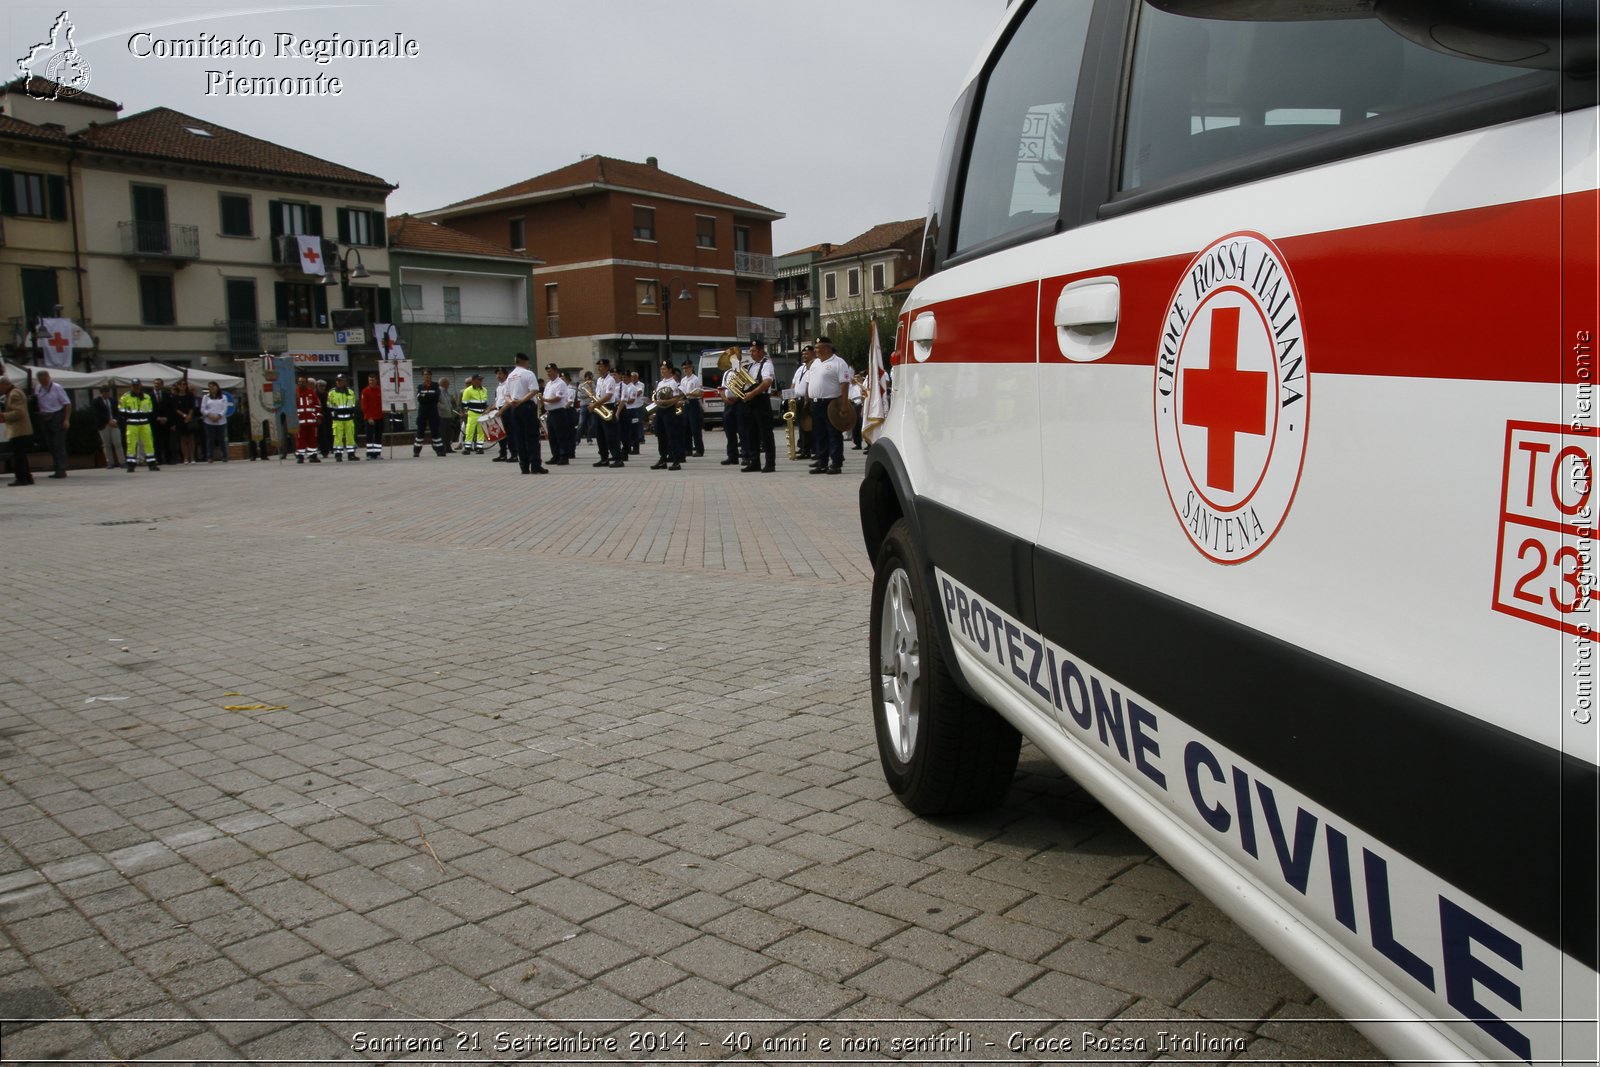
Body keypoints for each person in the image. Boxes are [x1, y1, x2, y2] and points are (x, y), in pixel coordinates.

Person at [807, 336, 851, 475]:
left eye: (817, 348)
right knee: (819, 434)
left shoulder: (839, 363)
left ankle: (836, 463)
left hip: (831, 403)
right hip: (816, 403)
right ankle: (822, 462)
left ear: (826, 348)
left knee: (833, 433)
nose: (815, 350)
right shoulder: (815, 363)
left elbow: (844, 384)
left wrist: (844, 404)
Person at [502, 352, 546, 475]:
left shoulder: (510, 376)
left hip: (514, 409)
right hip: (526, 407)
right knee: (532, 437)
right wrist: (521, 400)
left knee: (519, 437)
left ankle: (524, 466)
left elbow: (506, 394)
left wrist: (511, 402)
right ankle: (535, 465)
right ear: (524, 362)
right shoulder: (528, 373)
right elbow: (534, 390)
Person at [740, 339, 777, 473]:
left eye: (754, 351)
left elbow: (767, 382)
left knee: (765, 433)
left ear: (761, 351)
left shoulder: (767, 364)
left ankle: (770, 463)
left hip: (761, 400)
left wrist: (752, 393)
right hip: (750, 402)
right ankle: (754, 461)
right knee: (751, 433)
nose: (752, 353)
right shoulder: (750, 366)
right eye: (751, 351)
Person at [32, 370, 71, 478]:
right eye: (41, 380)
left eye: (45, 379)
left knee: (58, 444)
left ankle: (61, 469)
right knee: (50, 444)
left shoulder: (57, 387)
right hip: (44, 416)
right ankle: (56, 468)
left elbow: (67, 404)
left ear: (48, 377)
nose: (43, 382)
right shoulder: (38, 388)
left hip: (56, 415)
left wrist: (66, 419)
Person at [649, 362, 685, 470]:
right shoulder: (660, 383)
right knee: (661, 435)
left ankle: (676, 461)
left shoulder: (673, 383)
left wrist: (664, 401)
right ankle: (662, 459)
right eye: (661, 369)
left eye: (664, 369)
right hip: (660, 410)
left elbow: (676, 398)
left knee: (672, 435)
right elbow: (657, 395)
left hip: (669, 410)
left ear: (670, 370)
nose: (662, 371)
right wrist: (657, 401)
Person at [591, 359, 625, 468]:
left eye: (601, 367)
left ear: (606, 368)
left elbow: (609, 395)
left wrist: (595, 404)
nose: (599, 369)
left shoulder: (610, 379)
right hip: (599, 407)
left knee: (611, 435)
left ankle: (618, 458)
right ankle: (604, 458)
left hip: (608, 407)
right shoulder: (600, 380)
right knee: (600, 434)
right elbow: (598, 394)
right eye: (598, 367)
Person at [119, 379, 159, 472]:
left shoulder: (146, 397)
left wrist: (144, 416)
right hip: (132, 424)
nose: (135, 387)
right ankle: (131, 465)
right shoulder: (125, 397)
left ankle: (152, 464)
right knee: (131, 444)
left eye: (137, 385)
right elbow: (121, 410)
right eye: (134, 385)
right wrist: (129, 417)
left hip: (144, 423)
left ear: (140, 386)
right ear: (131, 386)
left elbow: (150, 410)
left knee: (149, 443)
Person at [1, 378, 34, 486]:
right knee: (21, 455)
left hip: (18, 429)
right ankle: (27, 477)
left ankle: (21, 478)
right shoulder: (15, 392)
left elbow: (19, 413)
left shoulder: (14, 394)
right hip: (20, 429)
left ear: (4, 385)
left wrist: (3, 416)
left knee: (18, 456)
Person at [541, 363, 573, 465]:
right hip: (550, 412)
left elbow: (558, 398)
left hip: (559, 412)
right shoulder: (549, 384)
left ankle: (564, 456)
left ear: (555, 371)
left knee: (561, 435)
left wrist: (544, 399)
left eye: (550, 371)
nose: (548, 374)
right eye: (547, 372)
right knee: (552, 436)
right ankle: (556, 455)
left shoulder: (560, 383)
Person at [414, 369, 447, 457]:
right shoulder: (420, 386)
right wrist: (429, 396)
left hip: (433, 410)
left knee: (435, 430)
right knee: (420, 431)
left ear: (431, 376)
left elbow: (436, 396)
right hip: (422, 411)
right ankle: (416, 451)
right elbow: (419, 398)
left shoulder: (435, 385)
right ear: (423, 376)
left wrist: (425, 395)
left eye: (428, 375)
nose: (427, 376)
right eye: (425, 375)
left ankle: (439, 450)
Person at [327, 374, 360, 461]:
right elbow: (329, 405)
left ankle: (351, 454)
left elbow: (353, 404)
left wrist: (351, 412)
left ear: (345, 382)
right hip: (338, 419)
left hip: (349, 418)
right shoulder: (332, 392)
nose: (338, 382)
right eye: (337, 380)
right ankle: (338, 455)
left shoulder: (350, 391)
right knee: (338, 437)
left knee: (350, 436)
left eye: (340, 380)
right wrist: (335, 412)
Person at [93, 385, 124, 470]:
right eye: (104, 393)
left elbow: (118, 412)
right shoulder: (97, 401)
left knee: (117, 443)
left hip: (114, 424)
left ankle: (122, 461)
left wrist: (115, 420)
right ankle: (110, 462)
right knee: (106, 444)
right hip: (104, 425)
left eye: (107, 392)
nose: (106, 394)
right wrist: (108, 421)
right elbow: (97, 414)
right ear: (101, 393)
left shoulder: (113, 400)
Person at [199, 381, 230, 462]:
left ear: (217, 387)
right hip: (209, 421)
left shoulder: (223, 397)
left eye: (213, 386)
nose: (212, 388)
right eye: (210, 387)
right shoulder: (206, 397)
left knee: (222, 439)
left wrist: (219, 416)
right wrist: (209, 415)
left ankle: (224, 456)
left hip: (221, 421)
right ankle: (209, 457)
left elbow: (225, 408)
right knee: (210, 439)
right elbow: (202, 409)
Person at [680, 360, 704, 457]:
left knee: (695, 428)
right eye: (684, 368)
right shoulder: (683, 380)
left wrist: (690, 394)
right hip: (686, 403)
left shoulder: (695, 379)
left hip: (693, 402)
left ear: (691, 368)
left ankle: (699, 449)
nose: (685, 370)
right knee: (686, 427)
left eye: (687, 368)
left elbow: (700, 393)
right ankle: (688, 449)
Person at [295, 376, 322, 463]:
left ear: (306, 383)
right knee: (300, 440)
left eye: (303, 382)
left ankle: (312, 456)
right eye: (299, 382)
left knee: (312, 439)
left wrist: (318, 417)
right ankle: (300, 456)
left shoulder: (311, 393)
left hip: (311, 422)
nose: (301, 383)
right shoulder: (295, 393)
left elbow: (317, 406)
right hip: (300, 422)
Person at [460, 374, 489, 454]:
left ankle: (479, 447)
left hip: (482, 413)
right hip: (472, 413)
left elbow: (485, 401)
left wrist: (486, 410)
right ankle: (467, 447)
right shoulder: (468, 390)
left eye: (481, 380)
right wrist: (466, 411)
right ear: (473, 381)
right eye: (478, 380)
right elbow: (464, 403)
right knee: (470, 430)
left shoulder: (484, 390)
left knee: (481, 431)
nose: (480, 381)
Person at [170, 380, 197, 464]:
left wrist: (189, 415)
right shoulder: (175, 396)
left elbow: (192, 407)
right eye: (181, 385)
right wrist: (184, 415)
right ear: (178, 386)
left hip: (190, 418)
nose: (183, 386)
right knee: (183, 438)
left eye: (184, 384)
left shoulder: (190, 395)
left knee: (191, 438)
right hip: (180, 419)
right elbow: (175, 409)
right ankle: (185, 457)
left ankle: (192, 457)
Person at [491, 368, 515, 462]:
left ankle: (514, 454)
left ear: (505, 375)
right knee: (500, 435)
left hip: (507, 411)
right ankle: (502, 454)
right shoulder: (498, 387)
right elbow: (497, 402)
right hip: (499, 410)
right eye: (497, 374)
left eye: (500, 373)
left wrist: (501, 411)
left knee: (510, 434)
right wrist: (489, 409)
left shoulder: (508, 385)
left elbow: (509, 401)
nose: (498, 376)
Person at [361, 373, 385, 459]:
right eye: (370, 380)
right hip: (369, 418)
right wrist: (369, 417)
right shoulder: (365, 391)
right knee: (369, 436)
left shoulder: (380, 390)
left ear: (376, 380)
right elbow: (364, 406)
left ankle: (377, 453)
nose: (371, 382)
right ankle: (369, 454)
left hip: (379, 417)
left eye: (373, 380)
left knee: (378, 436)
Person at [438, 376, 458, 453]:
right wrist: (445, 408)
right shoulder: (439, 391)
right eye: (448, 384)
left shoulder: (446, 392)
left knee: (448, 433)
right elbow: (437, 403)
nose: (449, 385)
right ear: (444, 383)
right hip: (442, 415)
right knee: (443, 432)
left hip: (448, 415)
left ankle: (448, 447)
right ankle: (443, 448)